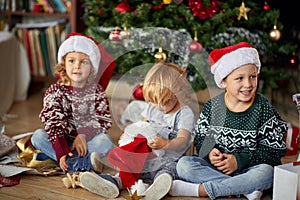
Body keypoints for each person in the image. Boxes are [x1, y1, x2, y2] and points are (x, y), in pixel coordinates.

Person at [169, 42, 288, 200]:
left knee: (267, 173)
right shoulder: (213, 107)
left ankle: (202, 190)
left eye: (253, 76)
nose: (248, 84)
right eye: (240, 78)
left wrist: (239, 161)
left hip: (250, 169)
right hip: (216, 169)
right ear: (223, 81)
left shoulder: (263, 109)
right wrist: (210, 153)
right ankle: (244, 188)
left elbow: (275, 151)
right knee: (184, 164)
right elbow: (201, 138)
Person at [70, 62, 195, 200]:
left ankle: (158, 187)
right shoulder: (151, 108)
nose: (158, 107)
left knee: (167, 172)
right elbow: (141, 126)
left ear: (178, 93)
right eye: (153, 101)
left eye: (165, 102)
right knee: (128, 167)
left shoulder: (184, 113)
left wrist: (165, 144)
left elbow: (183, 141)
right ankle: (110, 183)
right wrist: (131, 135)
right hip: (146, 159)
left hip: (168, 160)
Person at [30, 32, 114, 174]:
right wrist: (61, 150)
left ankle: (66, 162)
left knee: (105, 141)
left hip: (86, 143)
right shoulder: (55, 91)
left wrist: (83, 135)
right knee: (38, 136)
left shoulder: (97, 91)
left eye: (84, 62)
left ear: (92, 67)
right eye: (72, 61)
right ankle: (78, 163)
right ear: (63, 64)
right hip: (62, 141)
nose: (77, 66)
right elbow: (53, 120)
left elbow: (102, 120)